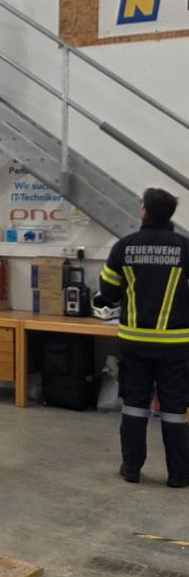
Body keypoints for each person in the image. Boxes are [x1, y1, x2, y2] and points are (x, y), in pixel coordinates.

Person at [96, 188, 189, 488]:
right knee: (175, 410)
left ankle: (132, 468)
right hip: (176, 346)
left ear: (144, 211)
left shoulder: (124, 247)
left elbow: (107, 292)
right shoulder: (185, 247)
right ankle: (179, 474)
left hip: (134, 344)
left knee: (134, 406)